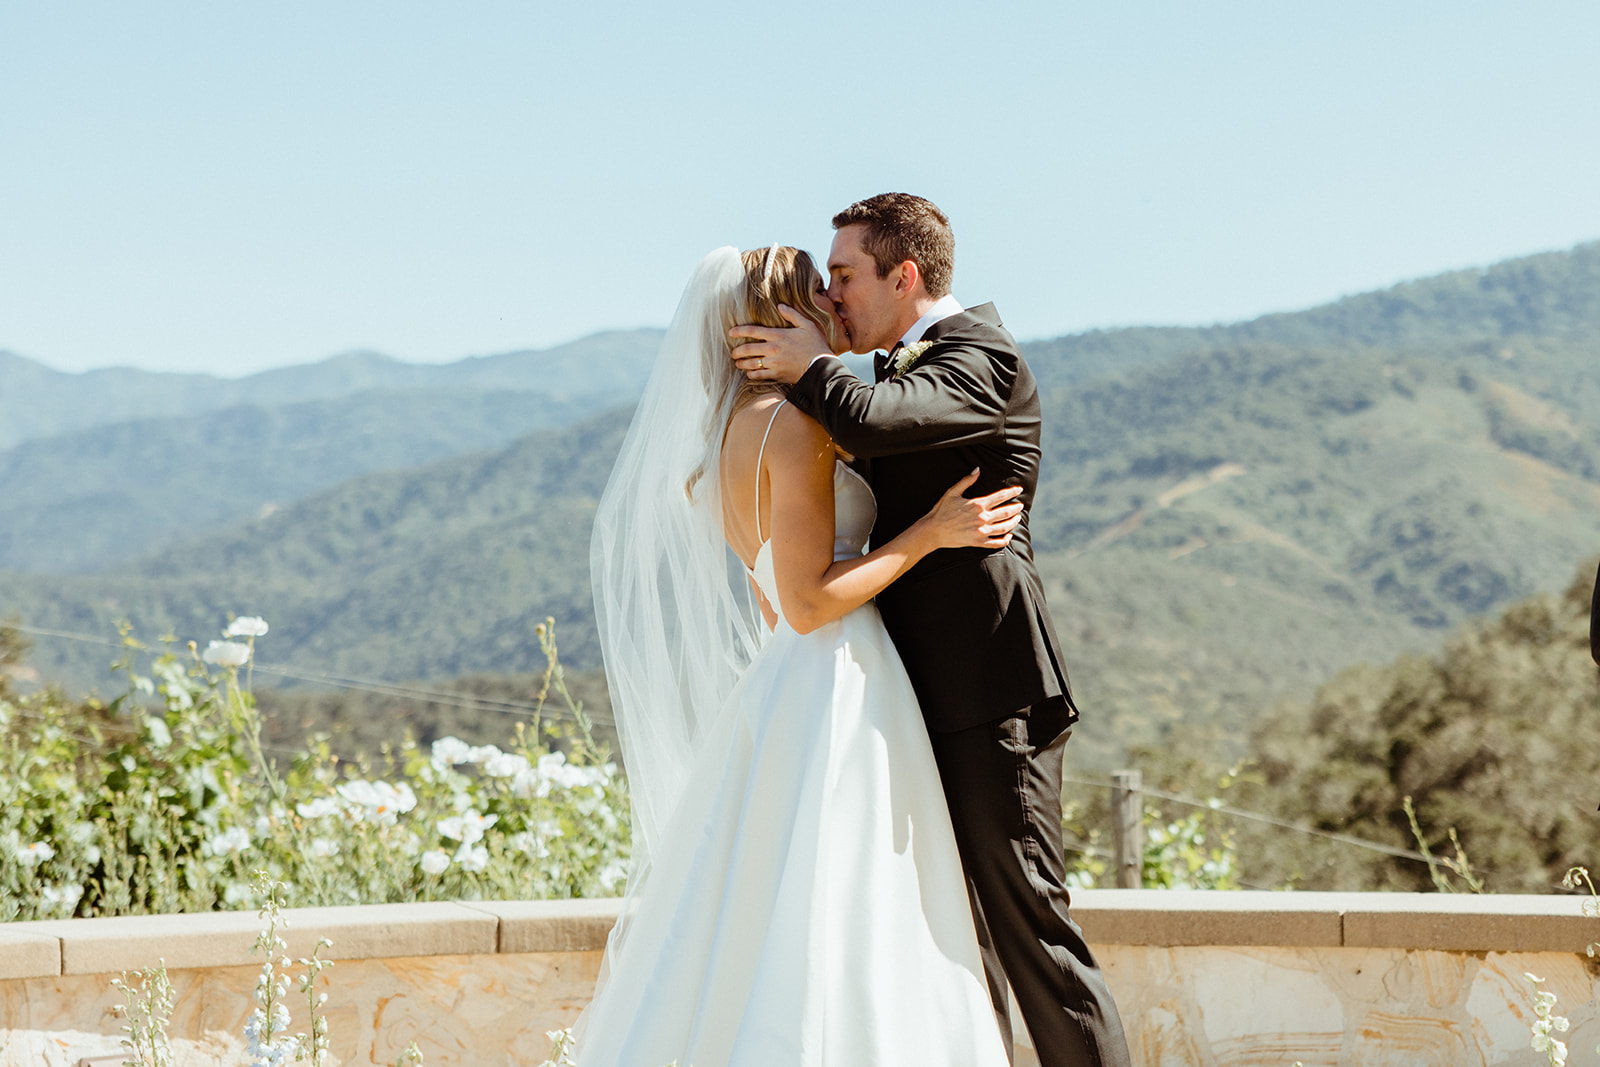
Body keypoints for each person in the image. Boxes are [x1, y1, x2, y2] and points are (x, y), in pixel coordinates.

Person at [578, 244, 1028, 1066]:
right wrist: (930, 534)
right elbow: (813, 600)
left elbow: (770, 593)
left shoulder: (723, 439)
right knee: (853, 901)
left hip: (782, 682)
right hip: (840, 679)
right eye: (820, 292)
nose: (833, 301)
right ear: (785, 315)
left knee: (760, 906)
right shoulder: (796, 426)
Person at [730, 193, 1131, 1067]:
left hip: (992, 692)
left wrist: (805, 365)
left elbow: (873, 421)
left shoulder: (981, 357)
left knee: (1034, 935)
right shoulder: (888, 370)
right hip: (907, 699)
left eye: (843, 277)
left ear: (903, 274)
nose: (832, 298)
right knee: (950, 939)